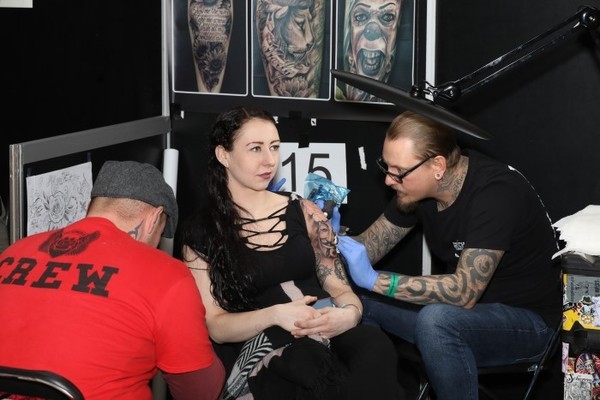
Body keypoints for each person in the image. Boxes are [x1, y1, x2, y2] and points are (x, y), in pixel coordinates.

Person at [180, 106, 403, 399]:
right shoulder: (202, 232)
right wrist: (275, 315)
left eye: (274, 147)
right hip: (267, 340)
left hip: (324, 321)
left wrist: (350, 314)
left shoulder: (304, 211)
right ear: (224, 155)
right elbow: (217, 326)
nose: (269, 160)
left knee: (375, 348)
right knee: (308, 370)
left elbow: (338, 285)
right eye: (255, 148)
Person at [336, 111, 562, 400]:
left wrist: (375, 280)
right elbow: (368, 248)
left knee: (437, 321)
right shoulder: (416, 191)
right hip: (462, 317)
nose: (389, 180)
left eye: (399, 172)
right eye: (386, 167)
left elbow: (463, 293)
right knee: (354, 301)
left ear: (438, 166)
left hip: (531, 325)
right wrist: (329, 238)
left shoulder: (496, 192)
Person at [0, 160, 225, 400]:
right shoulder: (165, 273)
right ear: (153, 218)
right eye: (160, 235)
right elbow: (200, 391)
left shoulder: (14, 252)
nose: (157, 245)